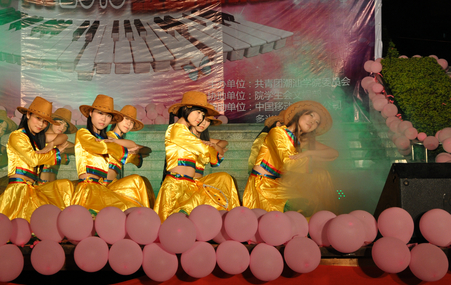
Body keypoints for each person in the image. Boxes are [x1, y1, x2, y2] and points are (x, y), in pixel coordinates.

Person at [154, 91, 241, 221]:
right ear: (186, 109)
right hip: (176, 187)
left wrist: (214, 148)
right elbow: (203, 148)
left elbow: (206, 149)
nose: (200, 118)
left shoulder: (187, 133)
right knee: (175, 224)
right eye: (198, 112)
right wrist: (215, 148)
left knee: (224, 179)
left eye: (203, 114)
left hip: (190, 185)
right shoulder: (176, 129)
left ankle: (235, 220)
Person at [242, 100, 339, 214]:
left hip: (280, 183)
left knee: (321, 176)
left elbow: (333, 153)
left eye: (317, 122)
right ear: (300, 114)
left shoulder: (301, 141)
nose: (313, 121)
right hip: (264, 186)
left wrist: (309, 153)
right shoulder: (277, 132)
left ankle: (324, 220)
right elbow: (287, 163)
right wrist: (312, 158)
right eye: (311, 115)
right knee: (306, 202)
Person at [0, 97, 75, 221]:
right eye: (38, 118)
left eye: (45, 121)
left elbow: (64, 137)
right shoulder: (17, 136)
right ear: (28, 115)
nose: (41, 124)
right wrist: (56, 151)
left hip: (32, 189)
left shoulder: (36, 139)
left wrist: (51, 145)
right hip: (18, 191)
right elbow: (33, 160)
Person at [71, 95, 151, 214]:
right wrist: (123, 150)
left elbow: (142, 151)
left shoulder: (105, 139)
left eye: (108, 115)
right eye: (100, 113)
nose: (104, 119)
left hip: (100, 189)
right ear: (91, 113)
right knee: (126, 208)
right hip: (89, 188)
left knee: (136, 189)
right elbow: (100, 147)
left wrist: (128, 151)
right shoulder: (83, 133)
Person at [40, 108, 76, 183]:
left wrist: (64, 150)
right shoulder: (41, 136)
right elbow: (64, 138)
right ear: (51, 122)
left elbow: (77, 148)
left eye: (65, 126)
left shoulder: (60, 141)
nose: (62, 128)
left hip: (53, 185)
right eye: (60, 123)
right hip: (37, 185)